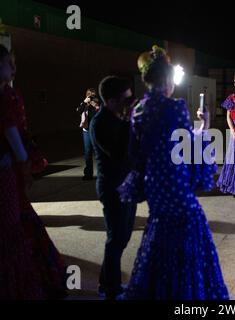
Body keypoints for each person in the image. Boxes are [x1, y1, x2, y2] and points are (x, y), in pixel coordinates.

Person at [117, 45, 228, 300]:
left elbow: (135, 154)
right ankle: (186, 294)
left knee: (159, 232)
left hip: (155, 184)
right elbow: (189, 151)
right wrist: (205, 124)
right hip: (175, 184)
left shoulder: (138, 111)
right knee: (190, 227)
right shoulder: (175, 107)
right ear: (168, 79)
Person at [0, 44, 67, 299]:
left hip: (9, 168)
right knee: (11, 227)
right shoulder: (6, 97)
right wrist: (25, 161)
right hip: (6, 170)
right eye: (8, 62)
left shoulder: (10, 94)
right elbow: (10, 129)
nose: (13, 68)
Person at [90, 76, 137, 299]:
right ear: (110, 100)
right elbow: (118, 153)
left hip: (126, 185)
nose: (128, 104)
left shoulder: (117, 118)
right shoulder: (99, 123)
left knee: (123, 236)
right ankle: (111, 289)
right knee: (116, 237)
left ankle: (106, 281)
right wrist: (128, 121)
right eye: (125, 100)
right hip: (111, 186)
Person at [76, 88, 100, 180]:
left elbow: (100, 112)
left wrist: (96, 106)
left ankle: (102, 174)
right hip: (86, 131)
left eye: (93, 95)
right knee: (87, 153)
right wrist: (84, 102)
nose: (91, 97)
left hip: (95, 131)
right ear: (87, 95)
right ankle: (88, 174)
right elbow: (78, 111)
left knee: (98, 152)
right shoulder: (84, 104)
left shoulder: (96, 103)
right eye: (90, 95)